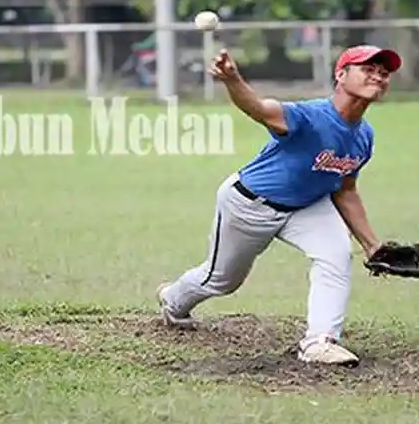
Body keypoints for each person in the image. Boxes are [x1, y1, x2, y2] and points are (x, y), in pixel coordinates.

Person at [156, 44, 402, 365]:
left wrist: (372, 245)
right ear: (340, 75)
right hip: (250, 204)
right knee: (221, 279)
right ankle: (173, 300)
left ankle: (320, 342)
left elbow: (345, 189)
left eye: (383, 73)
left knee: (336, 254)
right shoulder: (310, 116)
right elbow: (258, 108)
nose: (378, 76)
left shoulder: (364, 136)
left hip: (307, 206)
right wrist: (233, 80)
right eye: (367, 69)